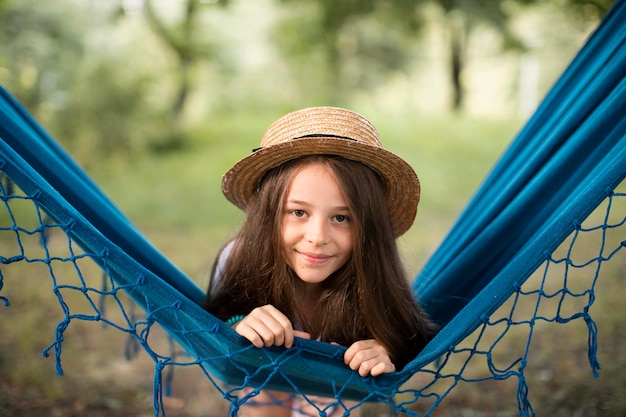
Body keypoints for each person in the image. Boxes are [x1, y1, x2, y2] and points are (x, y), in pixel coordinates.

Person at [204, 106, 437, 416]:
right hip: (263, 381)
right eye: (299, 212)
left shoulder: (371, 269)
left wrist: (384, 350)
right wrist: (240, 325)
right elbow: (213, 325)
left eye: (341, 217)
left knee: (333, 396)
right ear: (269, 214)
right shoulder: (238, 258)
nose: (317, 236)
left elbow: (408, 335)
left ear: (367, 227)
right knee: (262, 380)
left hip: (333, 391)